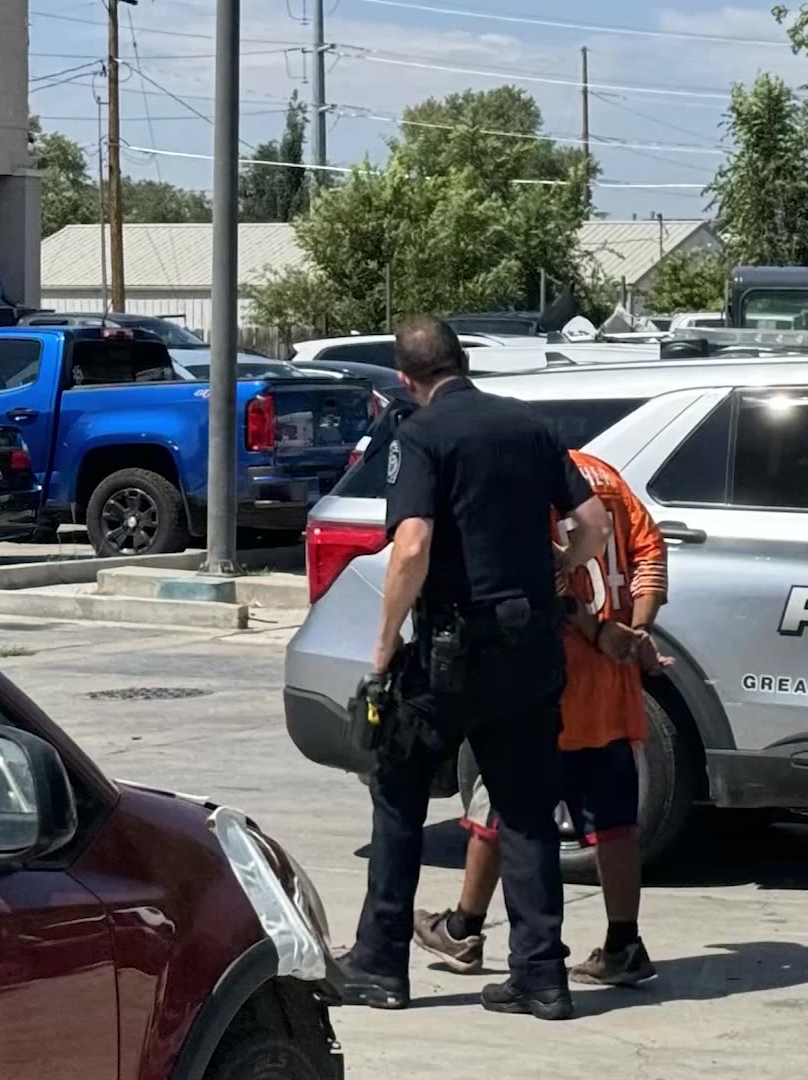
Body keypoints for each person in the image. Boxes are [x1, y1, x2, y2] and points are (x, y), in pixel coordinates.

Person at [328, 315, 611, 1021]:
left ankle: (381, 964)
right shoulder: (530, 427)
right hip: (529, 650)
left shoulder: (420, 434)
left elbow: (413, 545)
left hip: (452, 655)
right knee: (525, 813)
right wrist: (561, 565)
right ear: (461, 361)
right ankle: (541, 977)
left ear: (406, 377)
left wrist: (385, 646)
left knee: (397, 796)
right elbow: (595, 524)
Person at [414, 449, 670, 987]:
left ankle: (464, 927)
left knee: (501, 800)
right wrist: (636, 632)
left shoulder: (535, 480)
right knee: (615, 819)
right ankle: (624, 942)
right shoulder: (608, 475)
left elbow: (543, 583)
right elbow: (651, 554)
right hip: (613, 685)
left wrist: (594, 629)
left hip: (550, 678)